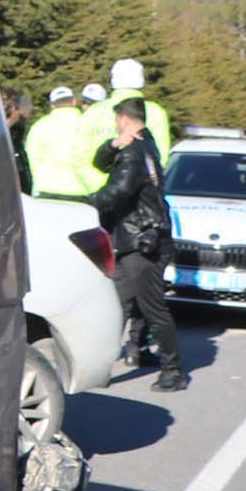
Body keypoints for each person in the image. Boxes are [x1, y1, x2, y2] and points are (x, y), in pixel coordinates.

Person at [92, 96, 186, 392]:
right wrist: (113, 144)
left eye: (116, 121)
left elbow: (117, 192)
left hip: (141, 240)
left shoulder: (135, 152)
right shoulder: (147, 144)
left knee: (151, 306)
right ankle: (99, 367)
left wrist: (84, 204)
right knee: (118, 304)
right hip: (139, 236)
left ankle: (174, 370)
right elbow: (100, 162)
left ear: (123, 120)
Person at [25, 85, 93, 196]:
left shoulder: (38, 126)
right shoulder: (88, 122)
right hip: (82, 191)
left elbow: (30, 156)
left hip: (46, 190)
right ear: (74, 101)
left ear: (52, 105)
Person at [109, 57, 175, 158]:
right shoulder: (156, 112)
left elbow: (78, 157)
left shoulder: (92, 112)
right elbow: (161, 154)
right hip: (143, 173)